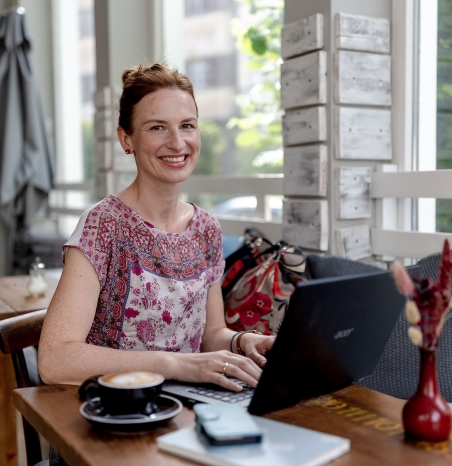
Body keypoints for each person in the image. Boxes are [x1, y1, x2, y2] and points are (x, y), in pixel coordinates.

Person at [38, 63, 275, 393]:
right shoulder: (103, 226)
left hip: (187, 407)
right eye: (157, 128)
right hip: (114, 414)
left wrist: (241, 341)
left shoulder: (207, 228)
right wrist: (171, 364)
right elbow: (54, 360)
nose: (177, 143)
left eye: (187, 126)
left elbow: (210, 335)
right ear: (126, 140)